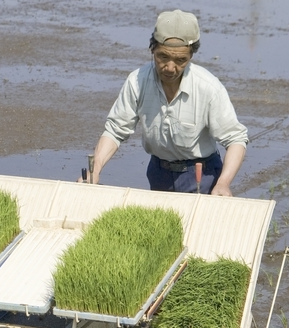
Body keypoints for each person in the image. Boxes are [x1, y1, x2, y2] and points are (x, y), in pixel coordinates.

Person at [84, 10, 248, 196]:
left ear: (191, 56)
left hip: (202, 174)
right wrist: (94, 170)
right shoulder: (137, 82)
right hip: (159, 172)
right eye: (163, 57)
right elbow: (115, 130)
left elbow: (236, 139)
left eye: (180, 60)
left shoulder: (208, 88)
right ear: (152, 49)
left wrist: (223, 183)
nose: (170, 68)